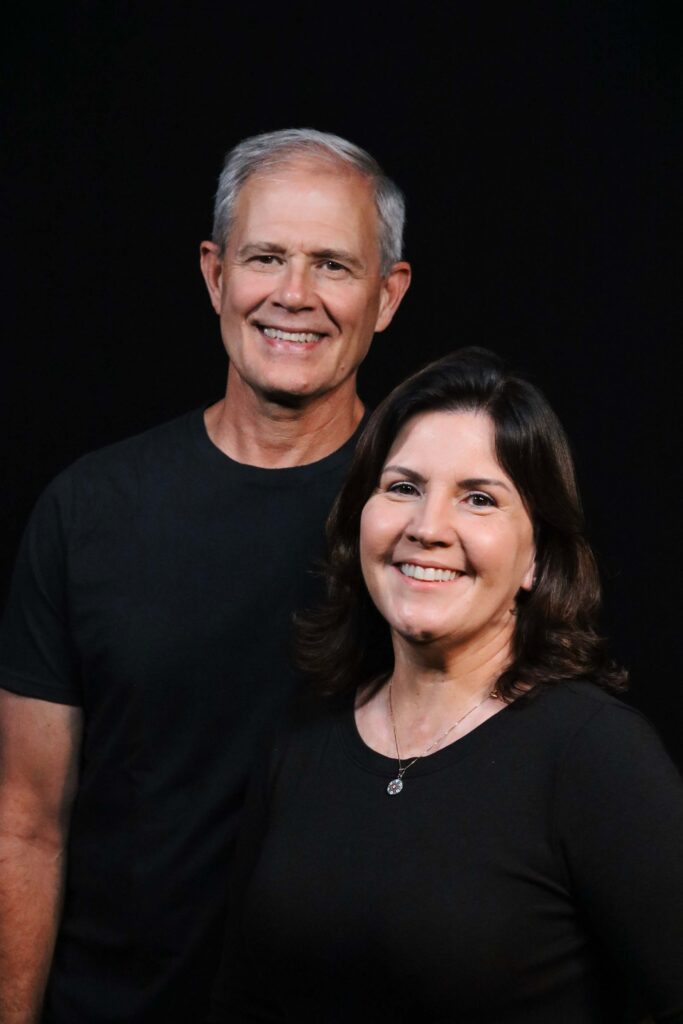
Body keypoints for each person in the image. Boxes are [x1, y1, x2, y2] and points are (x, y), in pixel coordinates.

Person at [0, 129, 411, 1024]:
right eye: (265, 257)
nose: (293, 295)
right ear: (214, 274)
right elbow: (25, 822)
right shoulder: (88, 510)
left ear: (386, 296)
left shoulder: (423, 528)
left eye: (333, 266)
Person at [210, 347, 683, 1023]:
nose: (427, 528)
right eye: (403, 487)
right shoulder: (305, 733)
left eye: (479, 499)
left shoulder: (596, 757)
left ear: (536, 558)